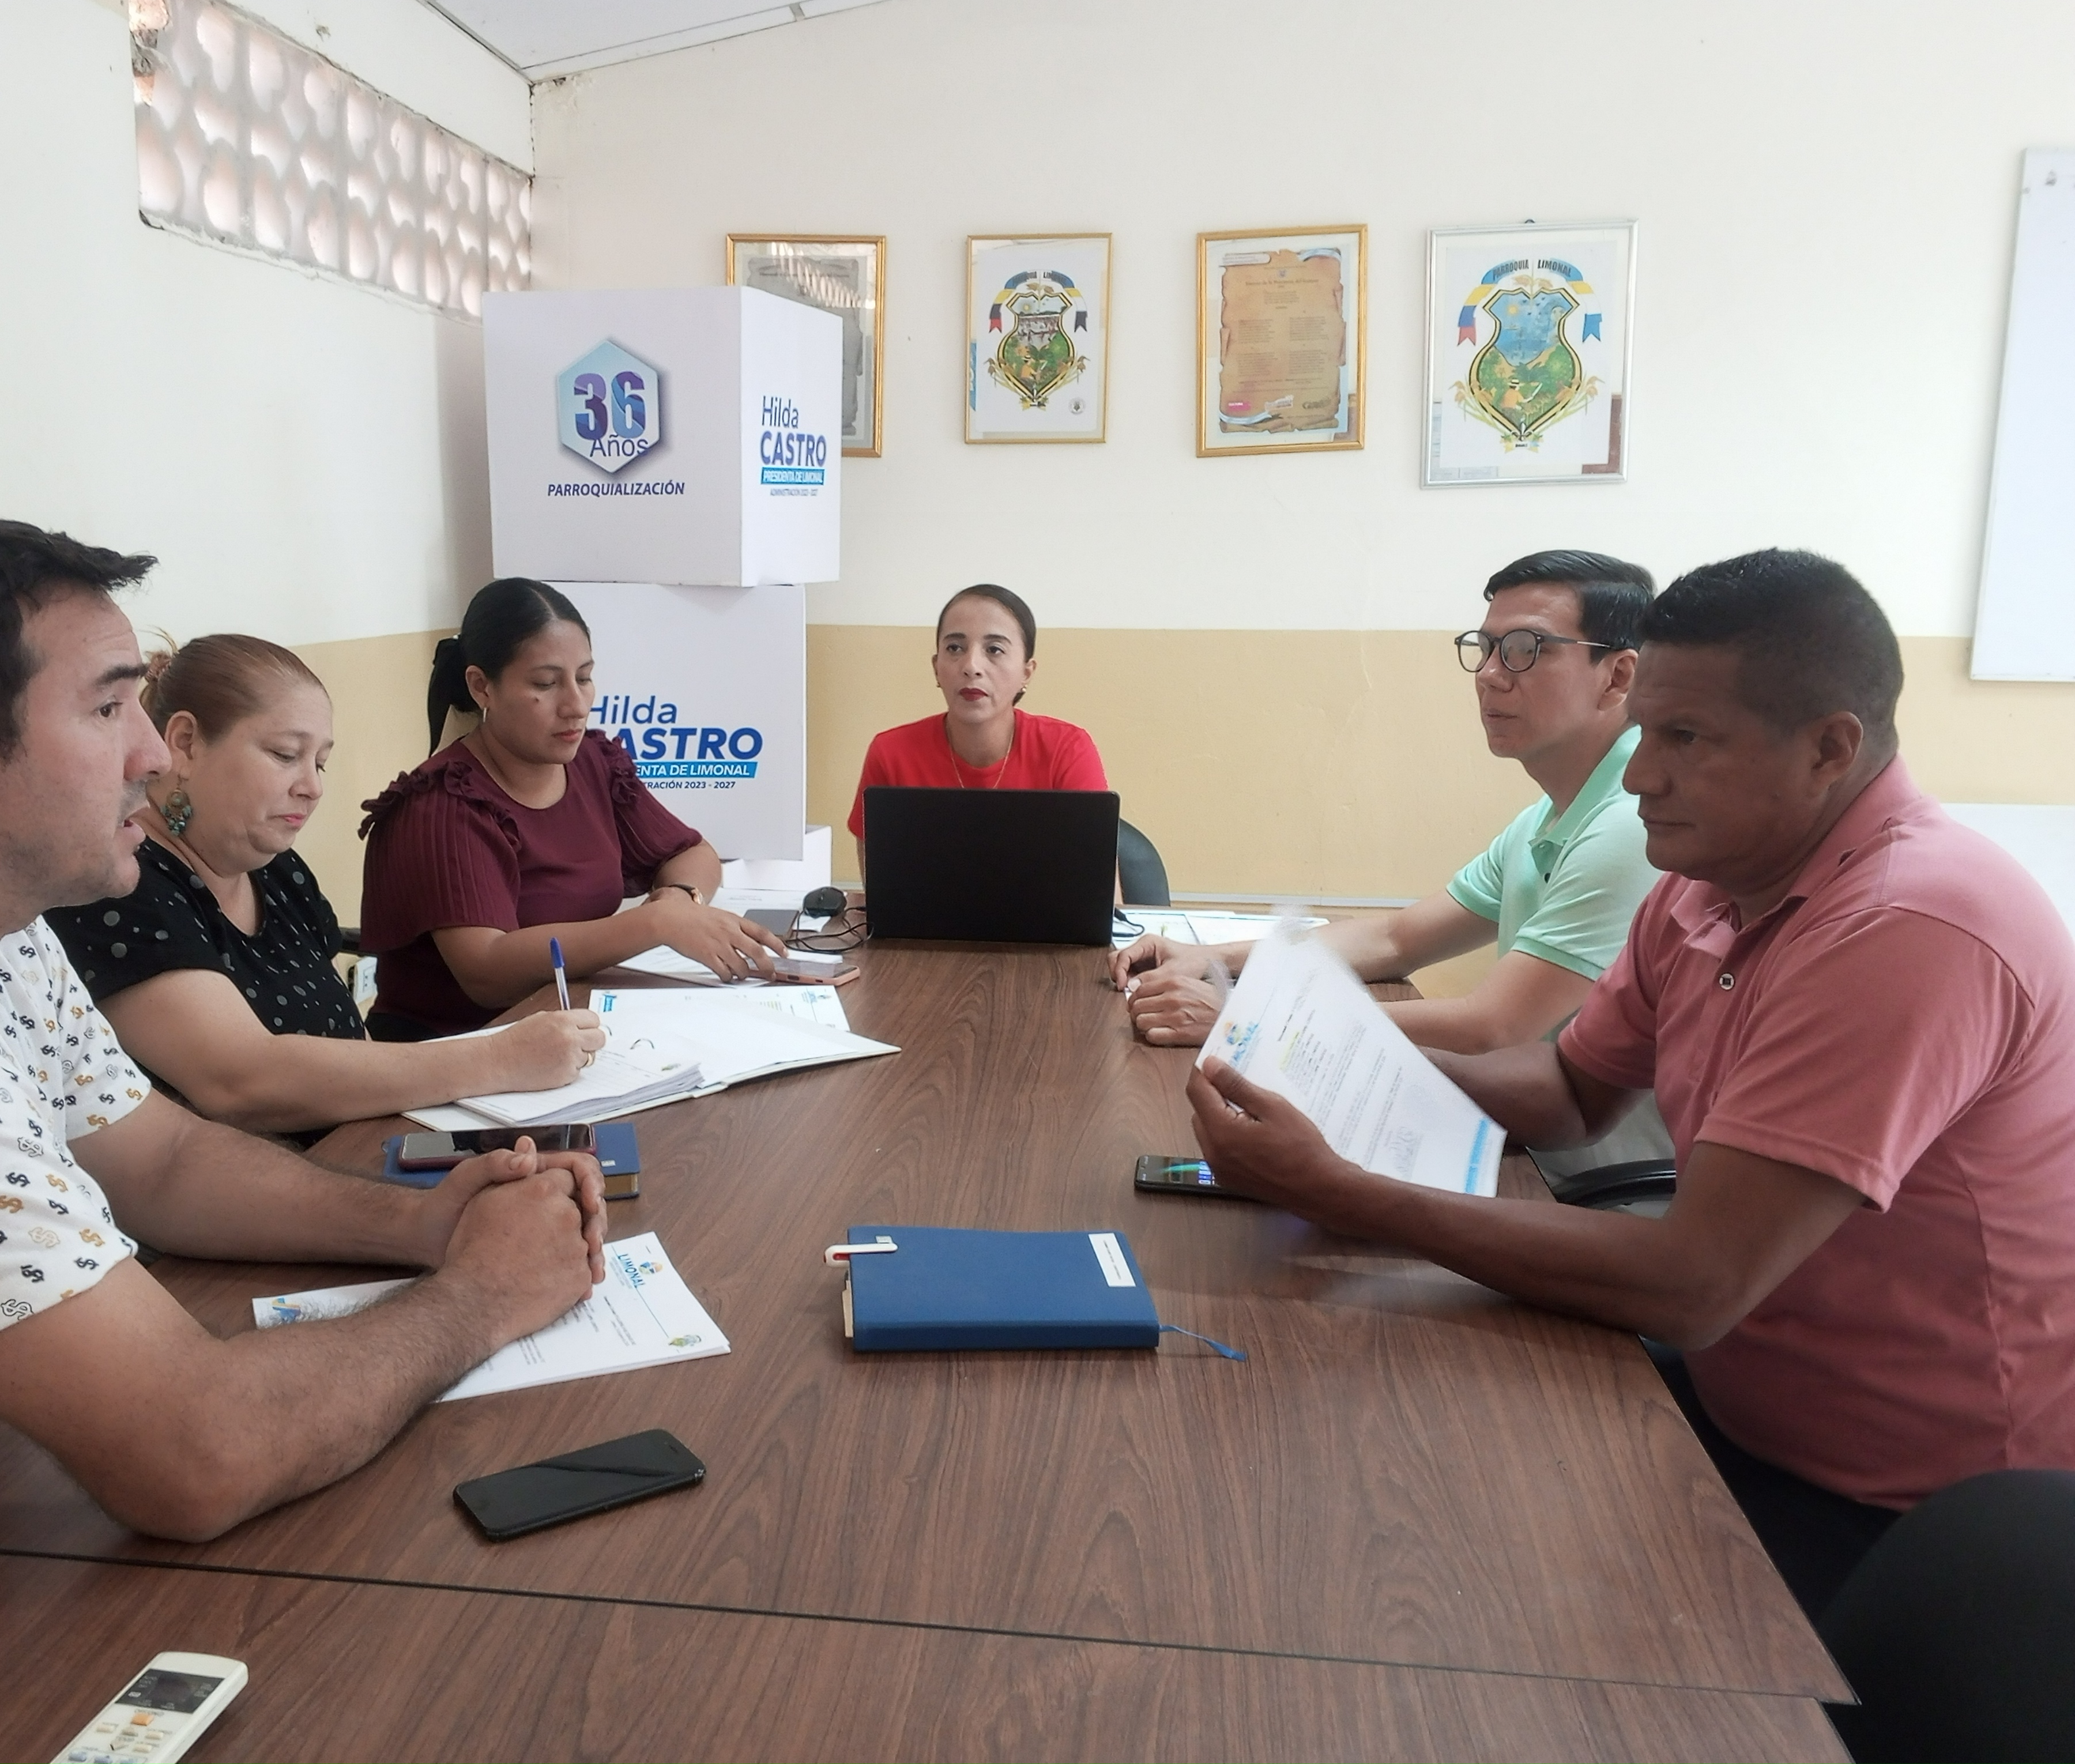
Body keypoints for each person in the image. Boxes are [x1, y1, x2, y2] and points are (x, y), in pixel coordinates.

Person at [1186, 549, 2075, 1619]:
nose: (1642, 775)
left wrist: (1343, 1191)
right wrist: (1325, 1064)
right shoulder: (1710, 879)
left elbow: (1694, 1282)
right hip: (1740, 1401)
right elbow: (1570, 1090)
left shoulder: (1910, 927)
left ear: (1830, 749)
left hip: (1918, 1513)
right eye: (1645, 731)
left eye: (1685, 739)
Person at [0, 515, 603, 1544]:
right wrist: (483, 1293)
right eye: (110, 707)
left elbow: (161, 1159)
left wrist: (417, 1226)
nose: (152, 754)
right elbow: (199, 1453)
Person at [44, 636, 605, 1133]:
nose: (311, 787)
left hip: (355, 1150)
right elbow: (240, 1081)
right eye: (285, 755)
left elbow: (350, 1044)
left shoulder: (276, 870)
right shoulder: (120, 884)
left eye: (321, 763)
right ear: (186, 743)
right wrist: (498, 1060)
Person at [1114, 551, 1659, 1054]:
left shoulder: (1632, 823)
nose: (1490, 675)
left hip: (1563, 1133)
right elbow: (1395, 939)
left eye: (1525, 649)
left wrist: (1247, 1016)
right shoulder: (1549, 816)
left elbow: (1495, 1026)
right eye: (1487, 648)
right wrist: (1209, 958)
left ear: (1618, 677)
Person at [357, 578, 784, 1039]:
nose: (576, 706)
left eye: (584, 678)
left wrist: (680, 900)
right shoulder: (442, 804)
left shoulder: (593, 763)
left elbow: (691, 852)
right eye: (546, 684)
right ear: (482, 687)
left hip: (571, 1023)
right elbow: (487, 972)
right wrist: (654, 923)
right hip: (460, 1049)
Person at [846, 584, 1108, 873]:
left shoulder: (1067, 750)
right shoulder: (891, 753)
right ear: (936, 667)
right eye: (955, 648)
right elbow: (881, 889)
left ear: (1026, 672)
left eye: (994, 650)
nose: (971, 666)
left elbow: (1099, 892)